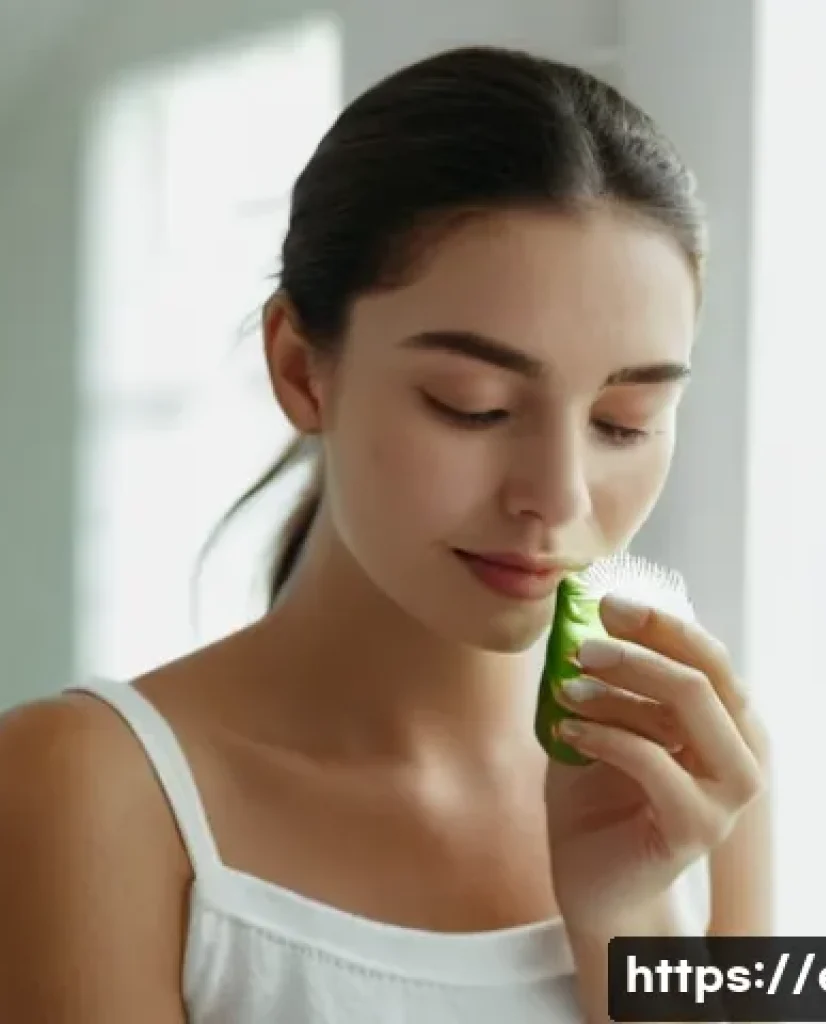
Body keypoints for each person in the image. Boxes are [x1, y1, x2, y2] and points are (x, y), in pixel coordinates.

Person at [0, 44, 771, 1023]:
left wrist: (631, 921)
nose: (557, 495)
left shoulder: (687, 777)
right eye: (473, 405)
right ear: (300, 366)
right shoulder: (89, 791)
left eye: (623, 420)